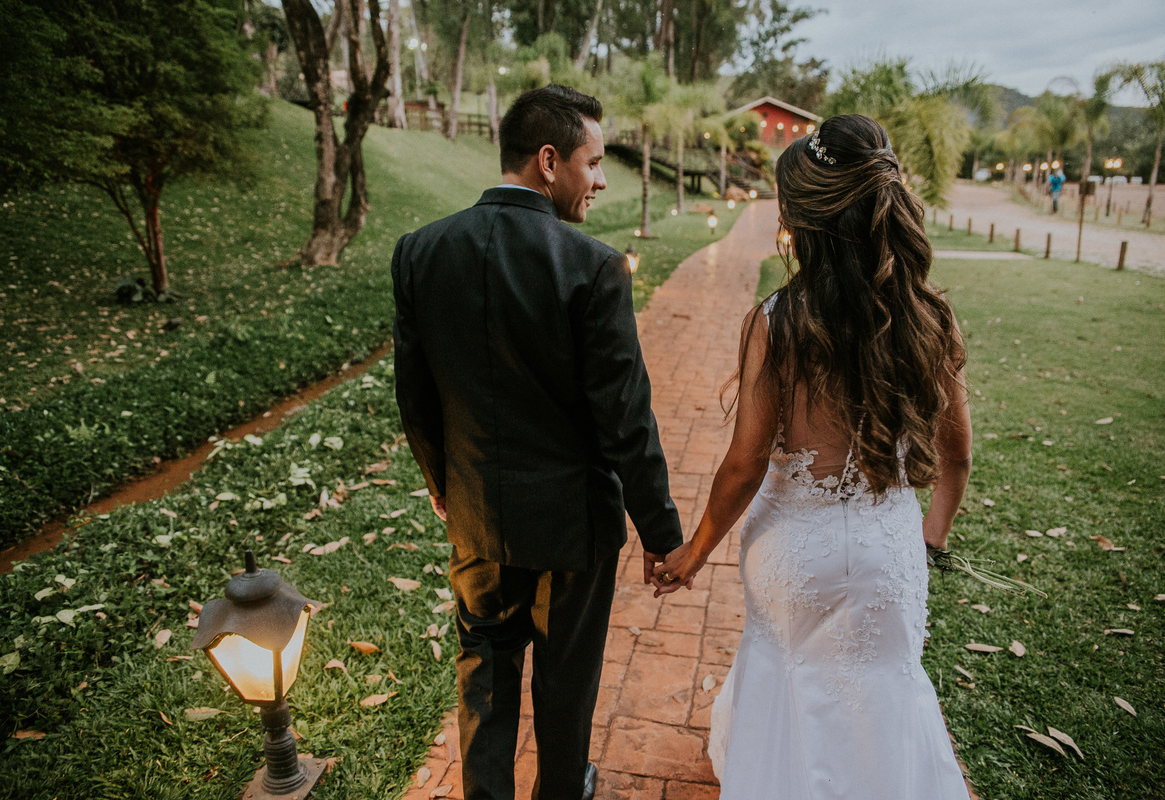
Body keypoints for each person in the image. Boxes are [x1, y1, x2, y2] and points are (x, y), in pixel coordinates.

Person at [657, 114, 973, 798]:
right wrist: (932, 539)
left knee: (785, 687)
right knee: (885, 694)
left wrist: (695, 552)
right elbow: (957, 459)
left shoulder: (778, 322)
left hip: (793, 557)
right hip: (889, 552)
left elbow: (744, 465)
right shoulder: (931, 318)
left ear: (803, 221)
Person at [391, 84, 684, 800]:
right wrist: (660, 532)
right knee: (565, 683)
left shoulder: (420, 252)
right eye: (594, 162)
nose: (601, 180)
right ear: (549, 161)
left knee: (485, 674)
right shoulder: (594, 266)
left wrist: (442, 485)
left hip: (477, 519)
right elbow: (625, 420)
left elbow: (415, 397)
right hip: (573, 531)